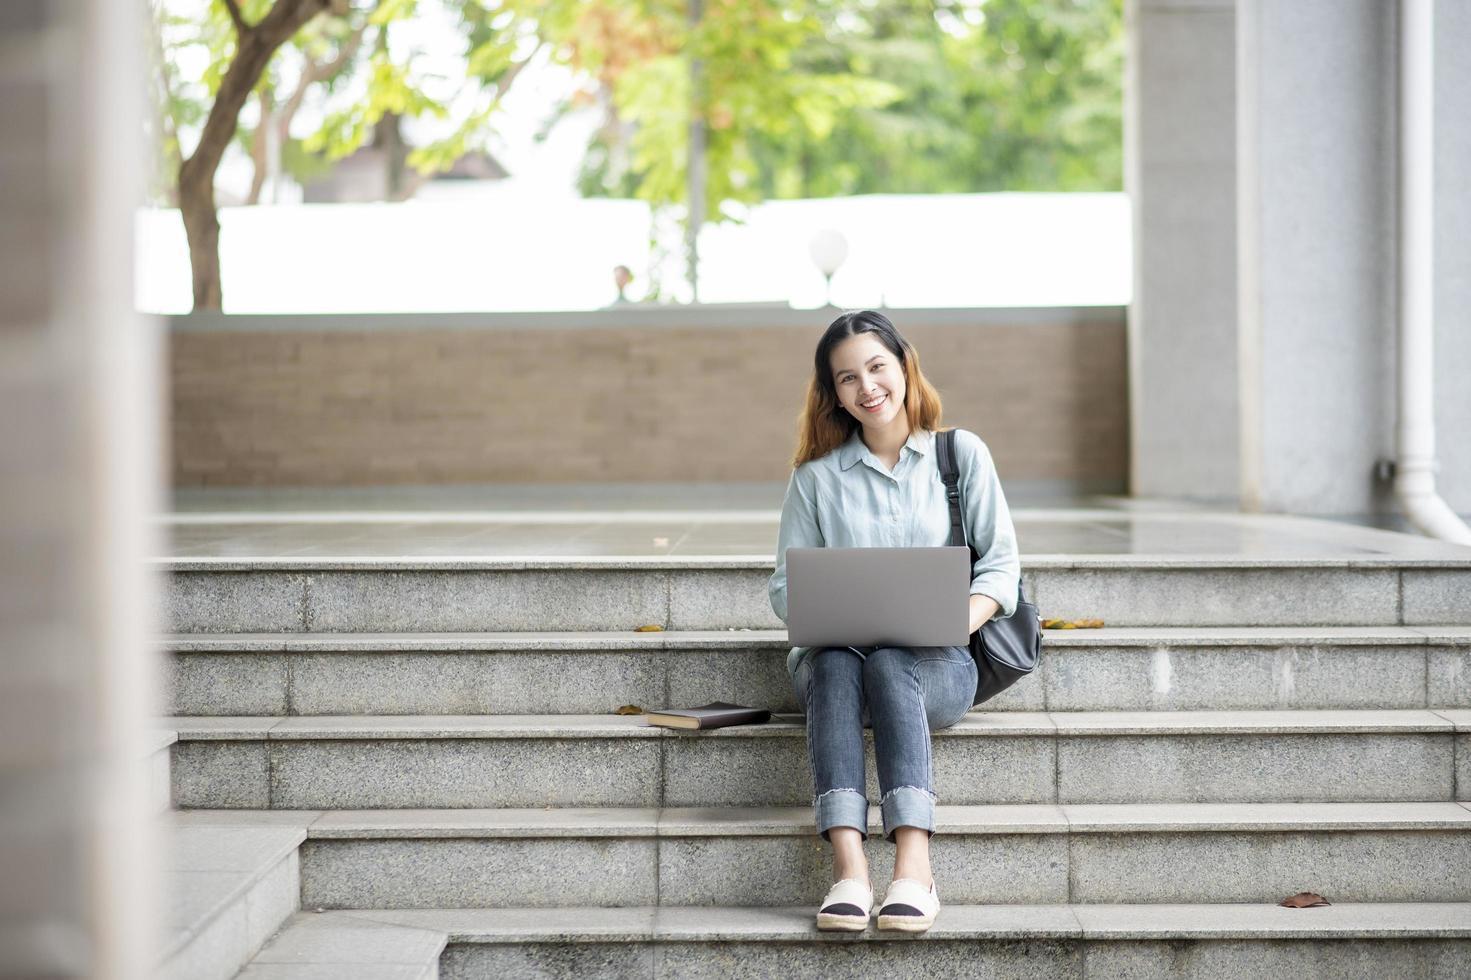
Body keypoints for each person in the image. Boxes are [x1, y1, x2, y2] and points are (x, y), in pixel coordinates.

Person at [768, 309, 1020, 934]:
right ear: (834, 392)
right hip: (835, 669)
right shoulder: (815, 479)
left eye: (876, 367)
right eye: (847, 377)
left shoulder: (959, 456)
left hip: (938, 665)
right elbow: (782, 587)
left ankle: (914, 867)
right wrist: (825, 607)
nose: (867, 386)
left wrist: (955, 617)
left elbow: (1002, 566)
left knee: (889, 661)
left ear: (904, 366)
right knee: (834, 660)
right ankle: (850, 871)